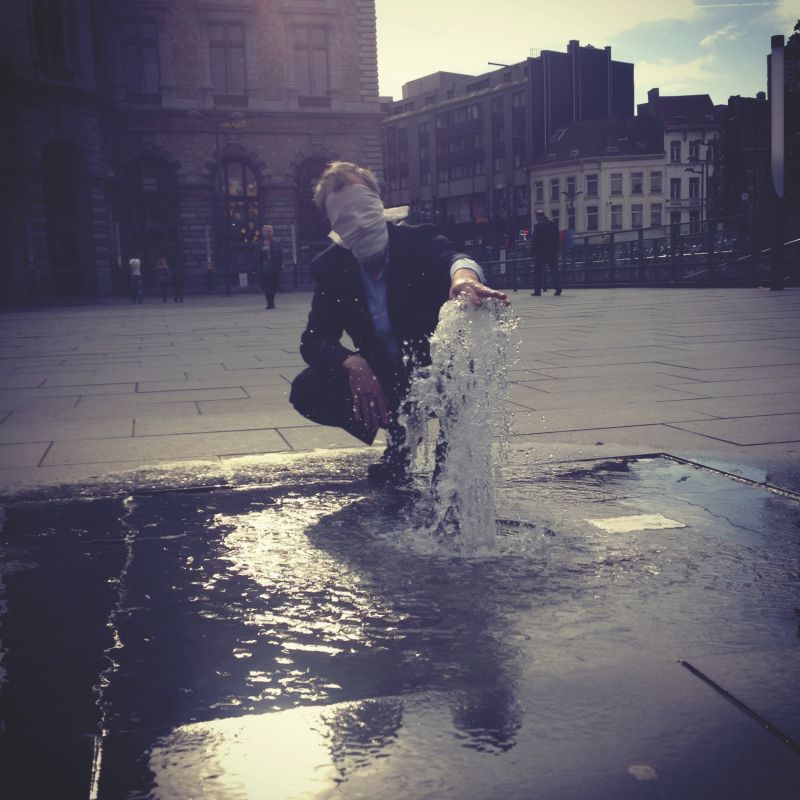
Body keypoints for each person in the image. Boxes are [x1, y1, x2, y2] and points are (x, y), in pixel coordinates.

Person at [289, 161, 508, 486]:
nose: (360, 222)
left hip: (438, 369)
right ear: (334, 224)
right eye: (346, 216)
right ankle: (401, 438)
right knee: (307, 389)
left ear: (379, 203)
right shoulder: (332, 267)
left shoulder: (415, 240)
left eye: (364, 208)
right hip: (384, 377)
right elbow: (314, 339)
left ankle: (450, 470)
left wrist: (463, 278)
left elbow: (452, 258)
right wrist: (353, 363)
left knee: (462, 374)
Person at [250, 224, 283, 309]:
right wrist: (254, 267)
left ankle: (271, 301)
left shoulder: (276, 244)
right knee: (266, 285)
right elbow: (256, 256)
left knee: (273, 285)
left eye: (269, 231)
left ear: (272, 232)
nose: (268, 232)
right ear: (263, 232)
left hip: (274, 267)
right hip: (264, 268)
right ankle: (269, 302)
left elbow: (281, 255)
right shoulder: (259, 244)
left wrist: (282, 264)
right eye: (266, 231)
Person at [530, 209, 562, 296]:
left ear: (538, 216)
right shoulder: (553, 224)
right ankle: (558, 288)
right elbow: (557, 238)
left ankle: (537, 291)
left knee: (538, 271)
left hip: (541, 252)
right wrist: (557, 250)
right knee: (554, 269)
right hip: (552, 251)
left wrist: (532, 252)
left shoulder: (538, 226)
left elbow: (535, 240)